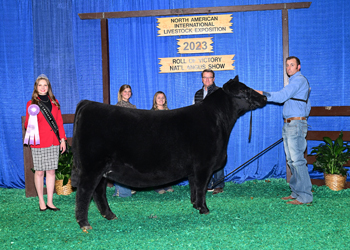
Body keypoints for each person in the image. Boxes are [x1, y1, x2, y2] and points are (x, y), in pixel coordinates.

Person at [255, 56, 313, 205]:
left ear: (298, 67)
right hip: (289, 124)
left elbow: (281, 97)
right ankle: (296, 192)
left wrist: (262, 93)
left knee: (297, 160)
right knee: (291, 160)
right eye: (287, 65)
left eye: (292, 65)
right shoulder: (294, 83)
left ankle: (305, 196)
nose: (288, 68)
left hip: (295, 124)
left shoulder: (299, 80)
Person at [24, 74, 67, 211]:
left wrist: (63, 139)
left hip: (54, 141)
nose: (43, 88)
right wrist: (31, 117)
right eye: (40, 85)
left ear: (49, 88)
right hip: (38, 142)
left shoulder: (55, 102)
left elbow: (59, 122)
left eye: (45, 85)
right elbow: (27, 125)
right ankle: (41, 201)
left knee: (51, 171)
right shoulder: (31, 104)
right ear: (36, 88)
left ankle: (50, 201)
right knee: (39, 172)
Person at [194, 69, 225, 195]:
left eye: (209, 77)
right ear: (202, 79)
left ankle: (218, 184)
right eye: (205, 77)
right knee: (204, 158)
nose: (207, 80)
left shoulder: (219, 92)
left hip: (216, 130)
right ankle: (207, 183)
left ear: (213, 79)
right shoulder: (197, 94)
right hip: (201, 130)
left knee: (217, 157)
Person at [113, 84, 136, 197]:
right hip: (121, 138)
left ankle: (125, 188)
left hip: (131, 138)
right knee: (121, 164)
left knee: (128, 164)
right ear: (121, 93)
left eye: (129, 91)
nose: (127, 93)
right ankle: (121, 190)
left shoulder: (133, 107)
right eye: (125, 91)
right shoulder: (116, 107)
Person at [150, 91, 174, 194]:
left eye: (163, 98)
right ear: (155, 100)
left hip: (167, 142)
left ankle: (167, 184)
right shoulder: (151, 113)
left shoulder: (169, 112)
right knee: (157, 165)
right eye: (159, 98)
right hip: (156, 142)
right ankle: (158, 185)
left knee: (167, 164)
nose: (161, 99)